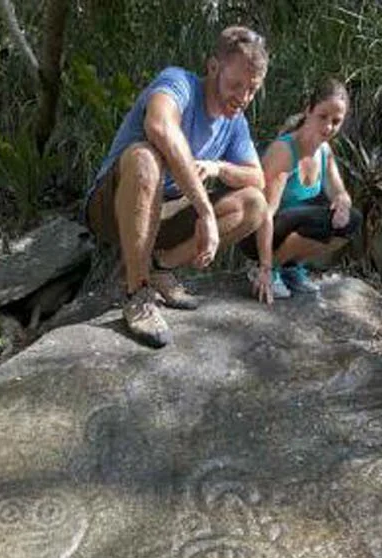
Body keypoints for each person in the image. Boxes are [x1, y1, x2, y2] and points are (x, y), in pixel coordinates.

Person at [84, 26, 272, 348]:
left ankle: (159, 267)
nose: (243, 98)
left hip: (165, 211)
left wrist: (218, 167)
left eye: (252, 90)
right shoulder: (179, 82)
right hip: (114, 206)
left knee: (254, 203)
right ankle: (137, 292)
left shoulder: (236, 123)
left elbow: (258, 179)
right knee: (145, 158)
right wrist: (205, 213)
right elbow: (159, 126)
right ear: (213, 67)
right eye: (236, 85)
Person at [243, 78, 363, 298]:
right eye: (322, 117)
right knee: (319, 221)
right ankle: (267, 269)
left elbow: (340, 192)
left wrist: (343, 204)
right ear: (308, 110)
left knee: (351, 221)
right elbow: (265, 213)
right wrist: (265, 267)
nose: (328, 127)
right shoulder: (285, 150)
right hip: (258, 234)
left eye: (336, 121)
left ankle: (290, 267)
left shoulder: (324, 151)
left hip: (290, 226)